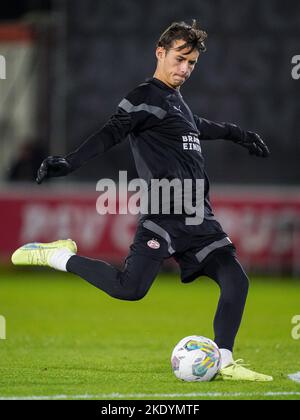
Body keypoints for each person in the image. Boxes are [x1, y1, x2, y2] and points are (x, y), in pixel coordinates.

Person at [12, 21, 272, 381]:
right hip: (164, 214)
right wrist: (69, 161)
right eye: (180, 59)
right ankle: (58, 255)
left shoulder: (175, 103)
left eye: (192, 63)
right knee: (129, 289)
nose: (185, 69)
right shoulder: (145, 96)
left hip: (198, 217)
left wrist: (239, 134)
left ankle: (224, 361)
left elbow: (199, 125)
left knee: (235, 280)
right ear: (160, 52)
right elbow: (112, 131)